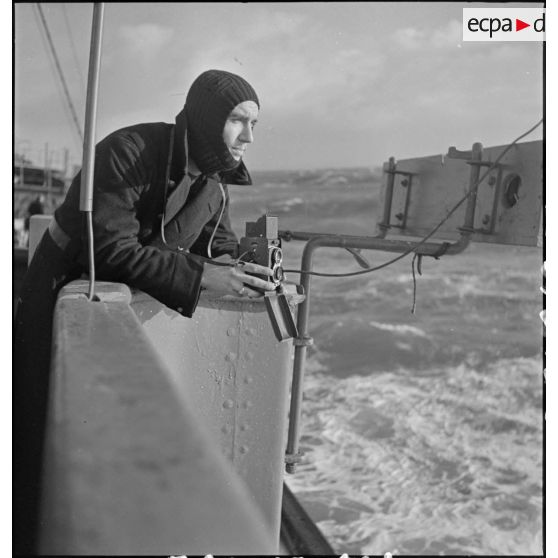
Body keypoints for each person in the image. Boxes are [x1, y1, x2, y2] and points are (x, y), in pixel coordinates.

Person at [13, 69, 275, 553]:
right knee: (27, 427)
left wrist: (245, 269)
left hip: (117, 308)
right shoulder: (128, 152)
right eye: (238, 121)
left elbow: (219, 244)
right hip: (55, 288)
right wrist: (204, 277)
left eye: (254, 124)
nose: (249, 137)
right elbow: (110, 249)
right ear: (207, 118)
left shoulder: (214, 189)